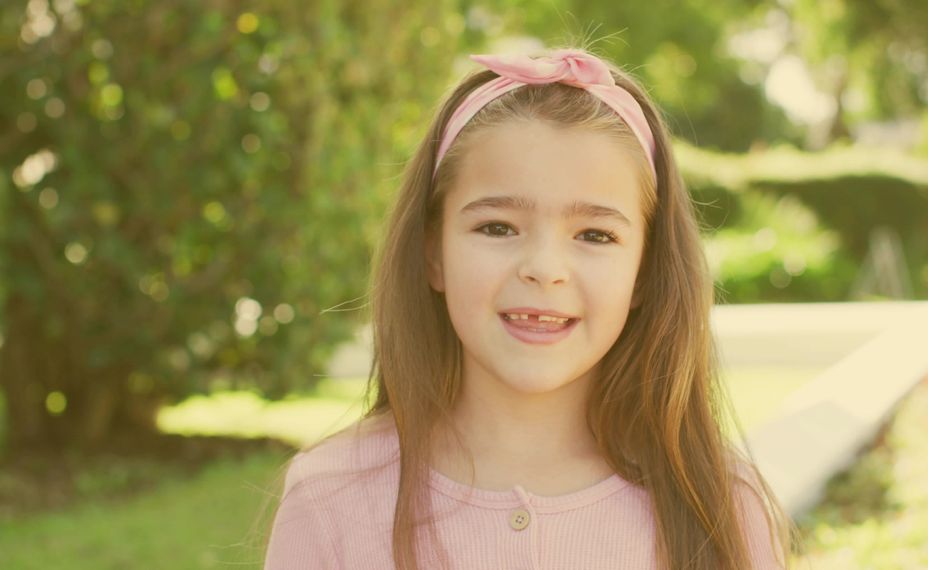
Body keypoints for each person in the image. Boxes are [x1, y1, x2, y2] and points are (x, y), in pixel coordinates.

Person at [263, 47, 796, 569]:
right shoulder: (330, 498)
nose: (544, 268)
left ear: (645, 270)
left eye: (594, 234)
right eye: (497, 227)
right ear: (434, 253)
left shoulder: (721, 505)